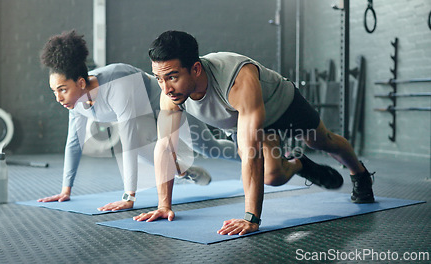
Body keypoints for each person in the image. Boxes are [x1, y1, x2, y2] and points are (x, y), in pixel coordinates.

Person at [133, 30, 375, 235]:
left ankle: (360, 175)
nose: (165, 88)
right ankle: (299, 164)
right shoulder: (170, 96)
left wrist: (251, 218)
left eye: (172, 77)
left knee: (321, 140)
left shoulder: (237, 79)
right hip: (247, 120)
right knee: (273, 178)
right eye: (159, 79)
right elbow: (165, 147)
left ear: (195, 69)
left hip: (283, 104)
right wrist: (164, 205)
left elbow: (251, 153)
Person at [37, 30, 239, 211]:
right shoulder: (75, 102)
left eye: (62, 90)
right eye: (54, 91)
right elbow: (74, 143)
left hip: (168, 105)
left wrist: (128, 196)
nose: (58, 98)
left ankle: (247, 155)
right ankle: (183, 170)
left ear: (81, 83)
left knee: (209, 147)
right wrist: (66, 190)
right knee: (145, 151)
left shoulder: (117, 83)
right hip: (142, 122)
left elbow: (128, 140)